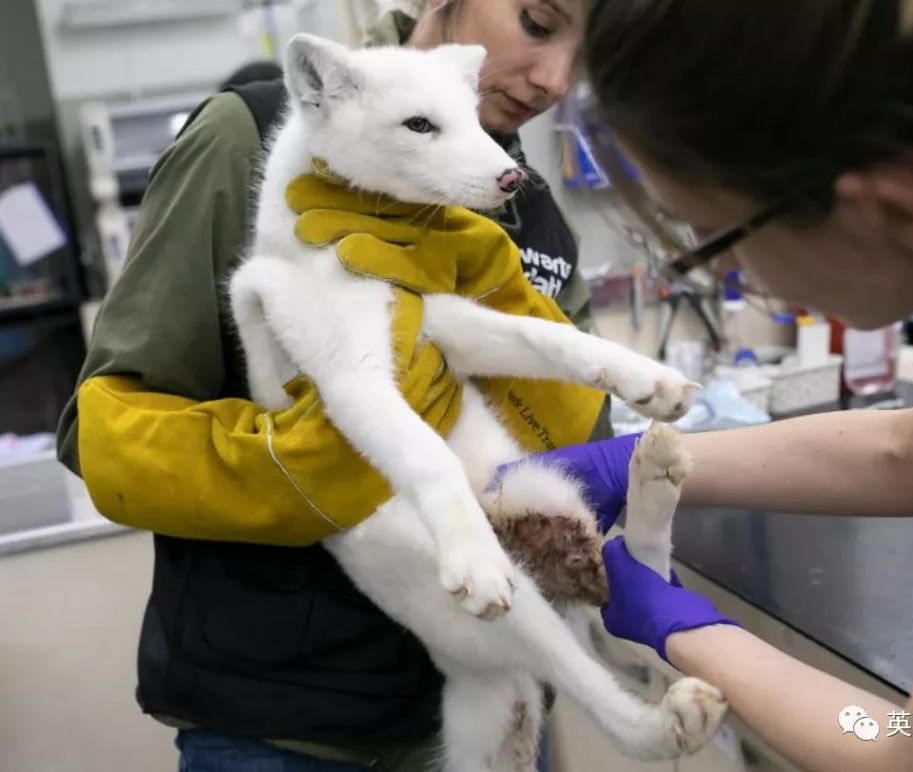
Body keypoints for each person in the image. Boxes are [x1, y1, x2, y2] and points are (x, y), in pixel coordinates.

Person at [511, 1, 913, 770]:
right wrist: (635, 461)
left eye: (720, 237)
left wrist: (685, 631)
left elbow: (911, 757)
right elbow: (912, 449)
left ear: (892, 211)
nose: (730, 276)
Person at [57, 1, 601, 770]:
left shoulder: (530, 212)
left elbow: (577, 440)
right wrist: (303, 468)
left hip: (493, 700)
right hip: (286, 728)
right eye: (538, 24)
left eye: (591, 52)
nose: (556, 79)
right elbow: (101, 433)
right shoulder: (249, 137)